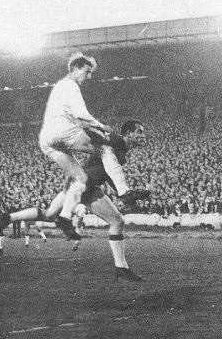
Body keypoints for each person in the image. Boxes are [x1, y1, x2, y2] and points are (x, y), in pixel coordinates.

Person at [2, 120, 147, 280]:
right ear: (128, 133)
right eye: (139, 132)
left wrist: (127, 194)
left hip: (89, 188)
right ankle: (9, 217)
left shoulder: (121, 151)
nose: (143, 135)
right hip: (82, 184)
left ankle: (121, 268)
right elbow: (95, 136)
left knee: (115, 221)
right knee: (51, 215)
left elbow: (109, 174)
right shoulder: (116, 140)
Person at [38, 52, 149, 236]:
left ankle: (64, 218)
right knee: (104, 147)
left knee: (81, 179)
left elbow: (76, 118)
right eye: (87, 72)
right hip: (63, 132)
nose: (88, 76)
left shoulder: (59, 87)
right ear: (75, 69)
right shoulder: (70, 85)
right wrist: (101, 126)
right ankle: (124, 192)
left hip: (47, 140)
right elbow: (81, 114)